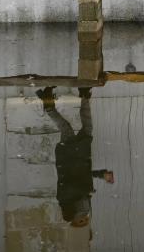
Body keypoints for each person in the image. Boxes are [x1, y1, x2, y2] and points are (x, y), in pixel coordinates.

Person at [36, 86, 113, 227]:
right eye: (86, 219)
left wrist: (85, 190)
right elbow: (84, 174)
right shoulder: (85, 194)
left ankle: (48, 103)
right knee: (88, 127)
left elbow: (72, 182)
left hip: (69, 156)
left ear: (74, 218)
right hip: (80, 154)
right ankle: (84, 94)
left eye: (81, 220)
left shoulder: (65, 199)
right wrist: (102, 174)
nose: (85, 216)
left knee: (66, 127)